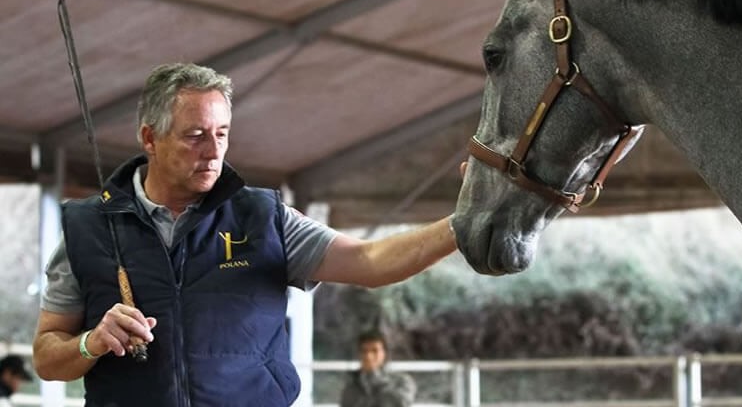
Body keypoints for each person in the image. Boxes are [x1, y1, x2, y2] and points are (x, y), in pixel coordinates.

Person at [32, 63, 460, 407]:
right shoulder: (86, 227)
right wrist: (91, 343)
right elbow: (48, 358)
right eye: (195, 136)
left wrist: (464, 225)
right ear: (150, 138)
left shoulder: (263, 216)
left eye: (222, 134)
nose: (214, 150)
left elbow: (370, 261)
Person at [340, 330, 416, 407]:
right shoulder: (351, 384)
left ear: (385, 354)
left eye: (375, 351)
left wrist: (376, 378)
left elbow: (401, 403)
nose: (368, 356)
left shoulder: (402, 381)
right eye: (364, 351)